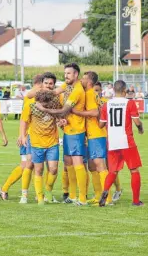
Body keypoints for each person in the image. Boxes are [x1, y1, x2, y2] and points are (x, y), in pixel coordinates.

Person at [36, 63, 87, 206]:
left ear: (76, 74)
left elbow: (63, 111)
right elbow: (53, 92)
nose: (66, 76)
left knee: (77, 164)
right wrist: (38, 92)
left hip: (77, 131)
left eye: (69, 74)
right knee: (68, 163)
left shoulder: (77, 90)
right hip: (67, 130)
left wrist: (43, 108)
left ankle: (82, 198)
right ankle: (72, 195)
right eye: (65, 73)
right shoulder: (67, 85)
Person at [0, 74, 43, 201]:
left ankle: (36, 194)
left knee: (34, 165)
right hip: (29, 136)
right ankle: (5, 189)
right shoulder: (31, 97)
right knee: (26, 165)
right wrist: (22, 135)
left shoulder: (30, 96)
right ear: (40, 84)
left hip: (31, 134)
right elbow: (25, 118)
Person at [99, 80, 144, 207]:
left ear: (113, 90)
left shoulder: (106, 105)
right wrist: (141, 129)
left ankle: (105, 192)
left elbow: (101, 124)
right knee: (134, 170)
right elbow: (137, 122)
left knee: (113, 171)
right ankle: (136, 201)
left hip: (112, 142)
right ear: (125, 91)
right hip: (127, 142)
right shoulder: (129, 103)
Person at [71, 72, 112, 205]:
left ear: (88, 81)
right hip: (95, 134)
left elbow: (95, 112)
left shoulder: (89, 93)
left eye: (83, 78)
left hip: (97, 134)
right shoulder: (93, 93)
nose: (81, 80)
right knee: (94, 166)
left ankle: (108, 198)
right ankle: (99, 195)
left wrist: (77, 112)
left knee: (100, 165)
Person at [20, 89, 60, 205]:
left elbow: (59, 117)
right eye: (43, 103)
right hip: (36, 142)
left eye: (47, 103)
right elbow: (24, 121)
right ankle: (39, 197)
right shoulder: (30, 106)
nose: (45, 105)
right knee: (38, 169)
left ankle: (47, 191)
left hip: (52, 142)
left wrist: (61, 121)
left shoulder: (54, 105)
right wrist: (22, 136)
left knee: (53, 169)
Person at [94, 81, 122, 202]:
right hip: (94, 137)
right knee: (98, 166)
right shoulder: (88, 102)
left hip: (108, 138)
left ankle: (118, 189)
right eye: (94, 90)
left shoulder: (107, 103)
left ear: (101, 91)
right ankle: (100, 193)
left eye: (98, 90)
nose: (96, 92)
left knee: (111, 167)